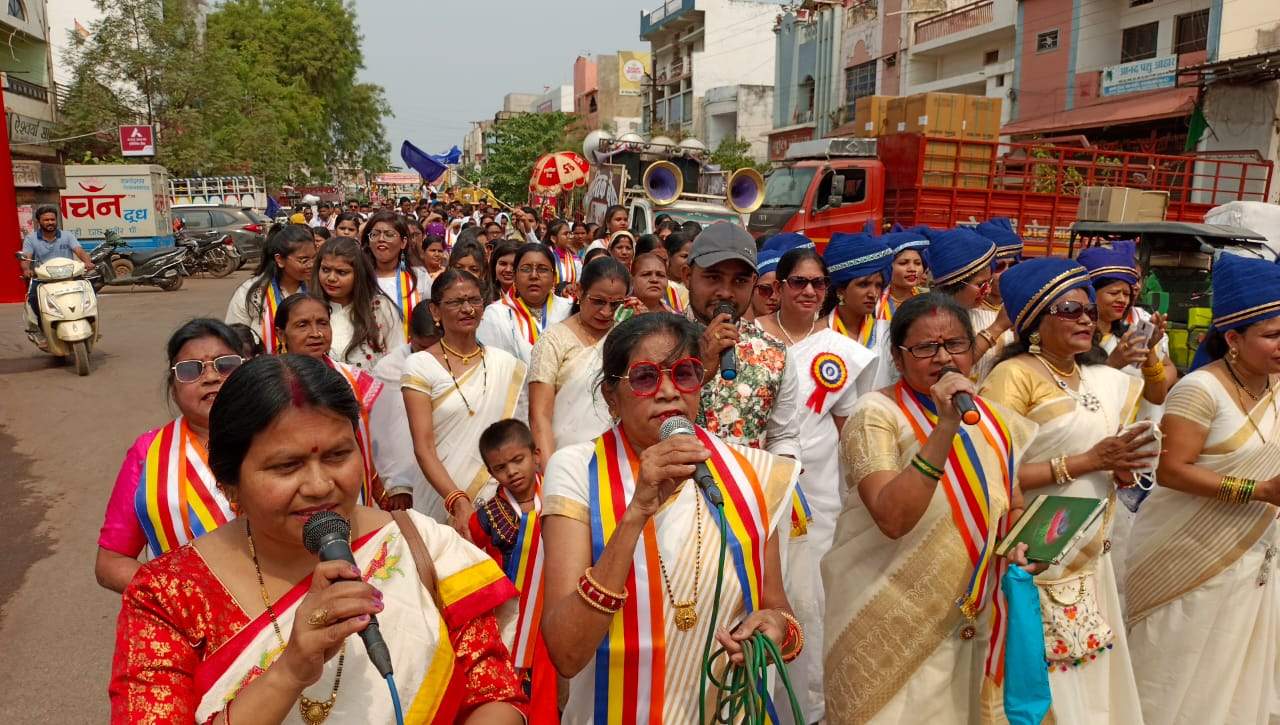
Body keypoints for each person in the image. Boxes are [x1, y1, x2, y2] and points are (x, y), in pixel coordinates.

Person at [108, 355, 526, 724]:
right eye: (286, 466)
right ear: (230, 482)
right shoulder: (168, 595)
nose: (319, 484)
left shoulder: (423, 546)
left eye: (337, 456)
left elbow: (495, 696)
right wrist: (290, 671)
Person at [539, 312, 803, 722]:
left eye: (685, 373)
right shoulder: (577, 470)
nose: (667, 391)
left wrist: (775, 631)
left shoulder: (753, 474)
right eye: (644, 377)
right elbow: (566, 652)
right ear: (611, 396)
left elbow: (780, 614)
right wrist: (638, 510)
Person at [823, 293, 1039, 724]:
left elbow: (1010, 503)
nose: (943, 358)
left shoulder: (995, 420)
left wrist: (1022, 546)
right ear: (899, 360)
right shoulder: (875, 414)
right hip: (889, 612)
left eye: (955, 345)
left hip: (975, 610)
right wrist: (945, 427)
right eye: (925, 348)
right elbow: (892, 518)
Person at [979, 257, 1153, 724]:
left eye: (1088, 310)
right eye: (1069, 311)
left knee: (1091, 674)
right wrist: (1087, 461)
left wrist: (1121, 468)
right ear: (1035, 321)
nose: (1085, 319)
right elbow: (990, 473)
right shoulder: (1011, 378)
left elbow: (1114, 461)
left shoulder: (1101, 378)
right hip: (1035, 551)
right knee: (1040, 677)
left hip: (1093, 550)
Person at [1125, 253, 1280, 725]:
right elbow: (1171, 471)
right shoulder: (1199, 389)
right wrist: (1258, 491)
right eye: (1273, 335)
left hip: (1254, 558)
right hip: (1186, 556)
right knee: (1175, 676)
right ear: (1233, 338)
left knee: (1234, 678)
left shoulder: (1276, 386)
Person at [755, 247, 877, 721]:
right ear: (778, 288)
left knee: (807, 601)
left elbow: (852, 433)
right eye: (798, 283)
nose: (808, 291)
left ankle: (801, 712)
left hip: (817, 496)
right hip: (754, 483)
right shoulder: (750, 341)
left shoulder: (844, 353)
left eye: (817, 284)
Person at [95, 319, 245, 593]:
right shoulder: (148, 453)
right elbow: (111, 562)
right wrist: (176, 596)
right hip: (189, 622)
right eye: (191, 370)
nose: (211, 377)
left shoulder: (276, 435)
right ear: (173, 388)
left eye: (225, 365)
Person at [402, 270, 528, 537]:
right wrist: (457, 500)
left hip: (499, 499)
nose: (468, 309)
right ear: (436, 311)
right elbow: (423, 447)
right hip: (439, 498)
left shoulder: (505, 364)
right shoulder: (420, 366)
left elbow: (519, 435)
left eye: (474, 300)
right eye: (456, 302)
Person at [686, 222, 800, 459]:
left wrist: (785, 467)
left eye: (740, 281)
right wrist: (701, 367)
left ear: (753, 283)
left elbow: (782, 436)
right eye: (713, 277)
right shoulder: (655, 343)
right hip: (674, 491)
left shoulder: (775, 354)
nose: (726, 292)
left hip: (748, 491)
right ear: (688, 276)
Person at [469, 420, 558, 723]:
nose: (512, 472)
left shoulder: (561, 497)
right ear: (491, 473)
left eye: (518, 460)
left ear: (536, 454)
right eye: (500, 467)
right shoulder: (487, 517)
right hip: (512, 618)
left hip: (554, 609)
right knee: (513, 683)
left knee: (552, 689)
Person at [273, 294, 388, 509]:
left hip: (351, 493)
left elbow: (375, 446)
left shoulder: (356, 381)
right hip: (292, 495)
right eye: (302, 325)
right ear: (281, 334)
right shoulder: (266, 386)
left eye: (322, 323)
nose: (316, 333)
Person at [528, 258, 627, 463]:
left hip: (618, 460)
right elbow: (540, 416)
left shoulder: (625, 338)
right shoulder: (554, 340)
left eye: (616, 304)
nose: (607, 312)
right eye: (598, 301)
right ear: (580, 292)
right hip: (565, 459)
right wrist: (550, 474)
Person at [1079, 241, 1177, 415]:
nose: (1122, 300)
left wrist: (1149, 351)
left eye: (1126, 294)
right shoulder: (1076, 340)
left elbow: (1157, 397)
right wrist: (1113, 363)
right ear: (1091, 295)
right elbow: (1079, 399)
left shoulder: (1131, 335)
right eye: (1114, 293)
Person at [370, 300, 445, 521]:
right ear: (411, 335)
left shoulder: (454, 361)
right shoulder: (388, 369)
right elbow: (384, 435)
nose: (428, 355)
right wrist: (398, 483)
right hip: (408, 478)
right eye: (423, 347)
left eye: (436, 346)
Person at [821, 231, 897, 395]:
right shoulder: (818, 331)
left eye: (878, 285)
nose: (873, 293)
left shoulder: (888, 333)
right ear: (841, 290)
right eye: (864, 284)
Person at [924, 227, 1008, 374]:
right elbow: (952, 366)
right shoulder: (927, 319)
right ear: (955, 283)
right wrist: (997, 327)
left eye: (989, 283)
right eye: (980, 285)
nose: (987, 290)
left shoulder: (981, 314)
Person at [312, 237, 405, 371]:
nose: (331, 278)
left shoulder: (380, 307)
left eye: (341, 272)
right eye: (325, 270)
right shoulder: (307, 308)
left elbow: (398, 359)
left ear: (358, 275)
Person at [477, 244, 574, 366]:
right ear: (515, 276)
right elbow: (489, 365)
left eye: (542, 269)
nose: (534, 275)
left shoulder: (569, 309)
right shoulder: (496, 313)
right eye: (526, 269)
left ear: (554, 277)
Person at [226, 224, 314, 352]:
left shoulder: (317, 289)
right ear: (280, 260)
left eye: (314, 258)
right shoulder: (252, 292)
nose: (311, 265)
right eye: (303, 260)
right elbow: (233, 338)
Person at [19, 205, 96, 333]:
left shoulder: (67, 236)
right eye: (46, 220)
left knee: (89, 292)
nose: (50, 222)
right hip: (44, 279)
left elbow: (79, 250)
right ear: (39, 222)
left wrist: (87, 262)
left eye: (52, 219)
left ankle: (90, 322)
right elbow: (26, 257)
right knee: (33, 298)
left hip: (69, 276)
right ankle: (42, 329)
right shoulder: (31, 239)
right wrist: (26, 269)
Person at [360, 210, 431, 339]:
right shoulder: (360, 277)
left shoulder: (420, 277)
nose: (381, 239)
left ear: (403, 242)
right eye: (375, 234)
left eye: (389, 234)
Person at [875, 229, 930, 324]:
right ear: (888, 267)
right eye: (903, 263)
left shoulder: (927, 300)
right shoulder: (874, 301)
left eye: (917, 263)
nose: (912, 269)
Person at [663, 231, 693, 312]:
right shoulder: (659, 286)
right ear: (668, 255)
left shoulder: (694, 287)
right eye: (684, 256)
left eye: (692, 257)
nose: (689, 261)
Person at [546, 219, 581, 287]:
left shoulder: (575, 260)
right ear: (553, 238)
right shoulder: (545, 257)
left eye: (570, 233)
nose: (570, 237)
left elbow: (578, 282)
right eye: (565, 234)